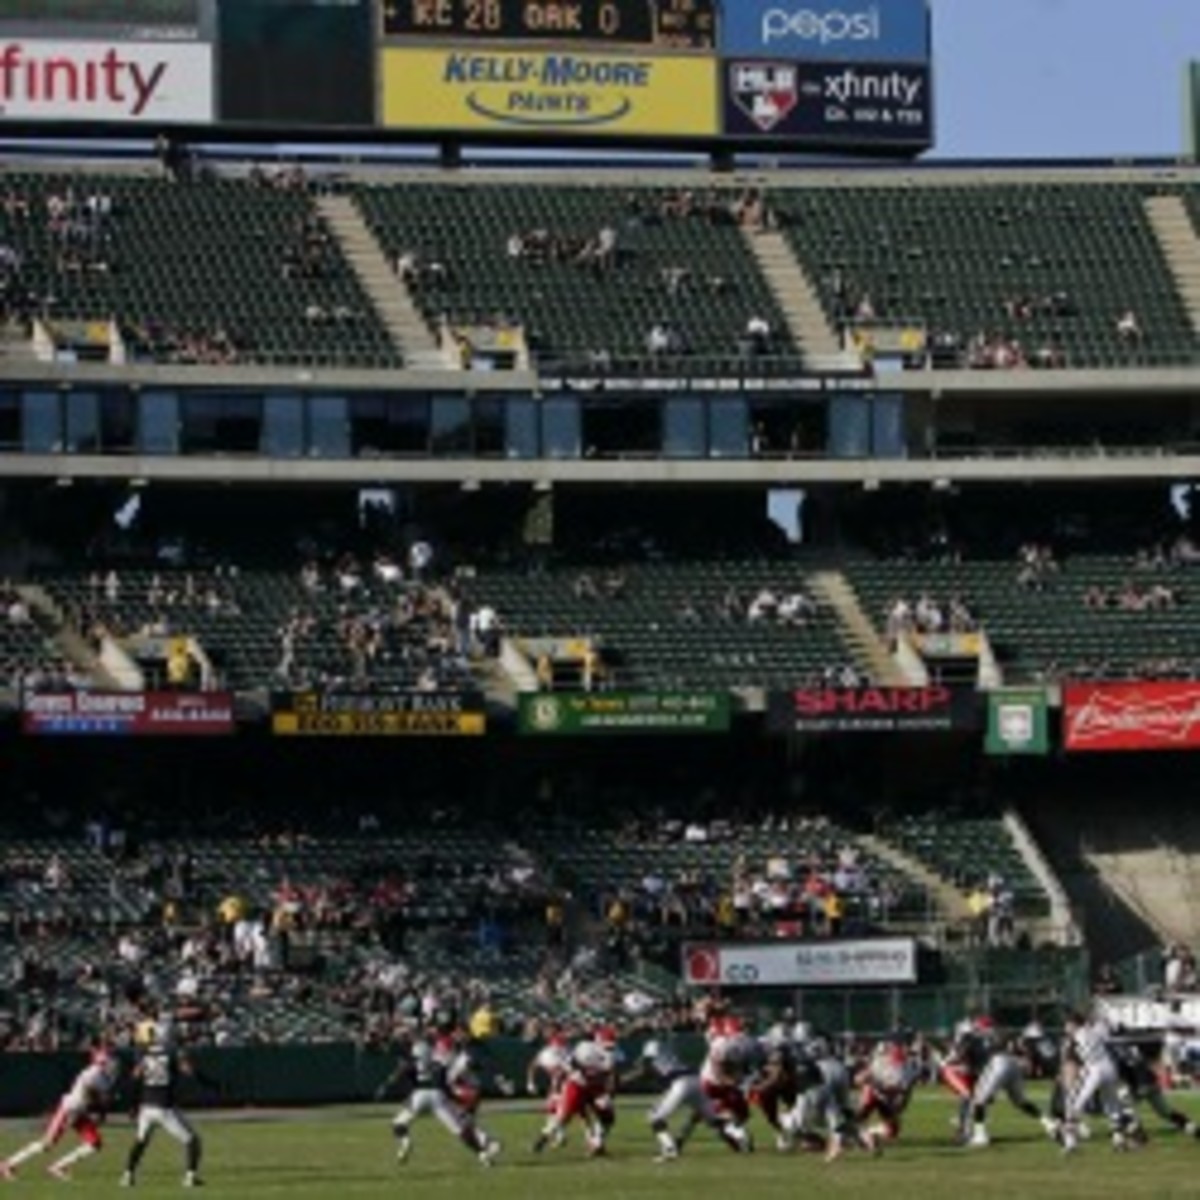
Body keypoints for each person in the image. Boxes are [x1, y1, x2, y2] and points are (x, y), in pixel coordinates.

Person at [377, 1031, 500, 1167]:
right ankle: (482, 1155)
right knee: (459, 1130)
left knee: (398, 1124)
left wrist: (387, 1086)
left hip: (419, 1094)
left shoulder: (414, 1057)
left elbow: (404, 1070)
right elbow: (443, 1080)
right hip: (437, 1094)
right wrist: (453, 1098)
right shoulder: (438, 1058)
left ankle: (405, 1141)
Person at [3, 1045, 118, 1181]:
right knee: (46, 1144)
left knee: (95, 1143)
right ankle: (8, 1164)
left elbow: (99, 1097)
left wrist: (102, 1109)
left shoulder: (107, 1077)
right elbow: (89, 1092)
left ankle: (58, 1167)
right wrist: (102, 1101)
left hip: (79, 1111)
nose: (113, 1063)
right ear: (100, 1062)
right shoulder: (93, 1072)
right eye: (108, 1060)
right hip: (69, 1109)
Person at [121, 1012, 207, 1188]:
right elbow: (187, 1070)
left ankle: (128, 1175)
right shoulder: (172, 1051)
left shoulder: (145, 1052)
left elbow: (135, 1076)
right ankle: (190, 1177)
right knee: (192, 1141)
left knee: (140, 1142)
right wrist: (207, 1081)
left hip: (146, 1106)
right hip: (163, 1107)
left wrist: (132, 1104)